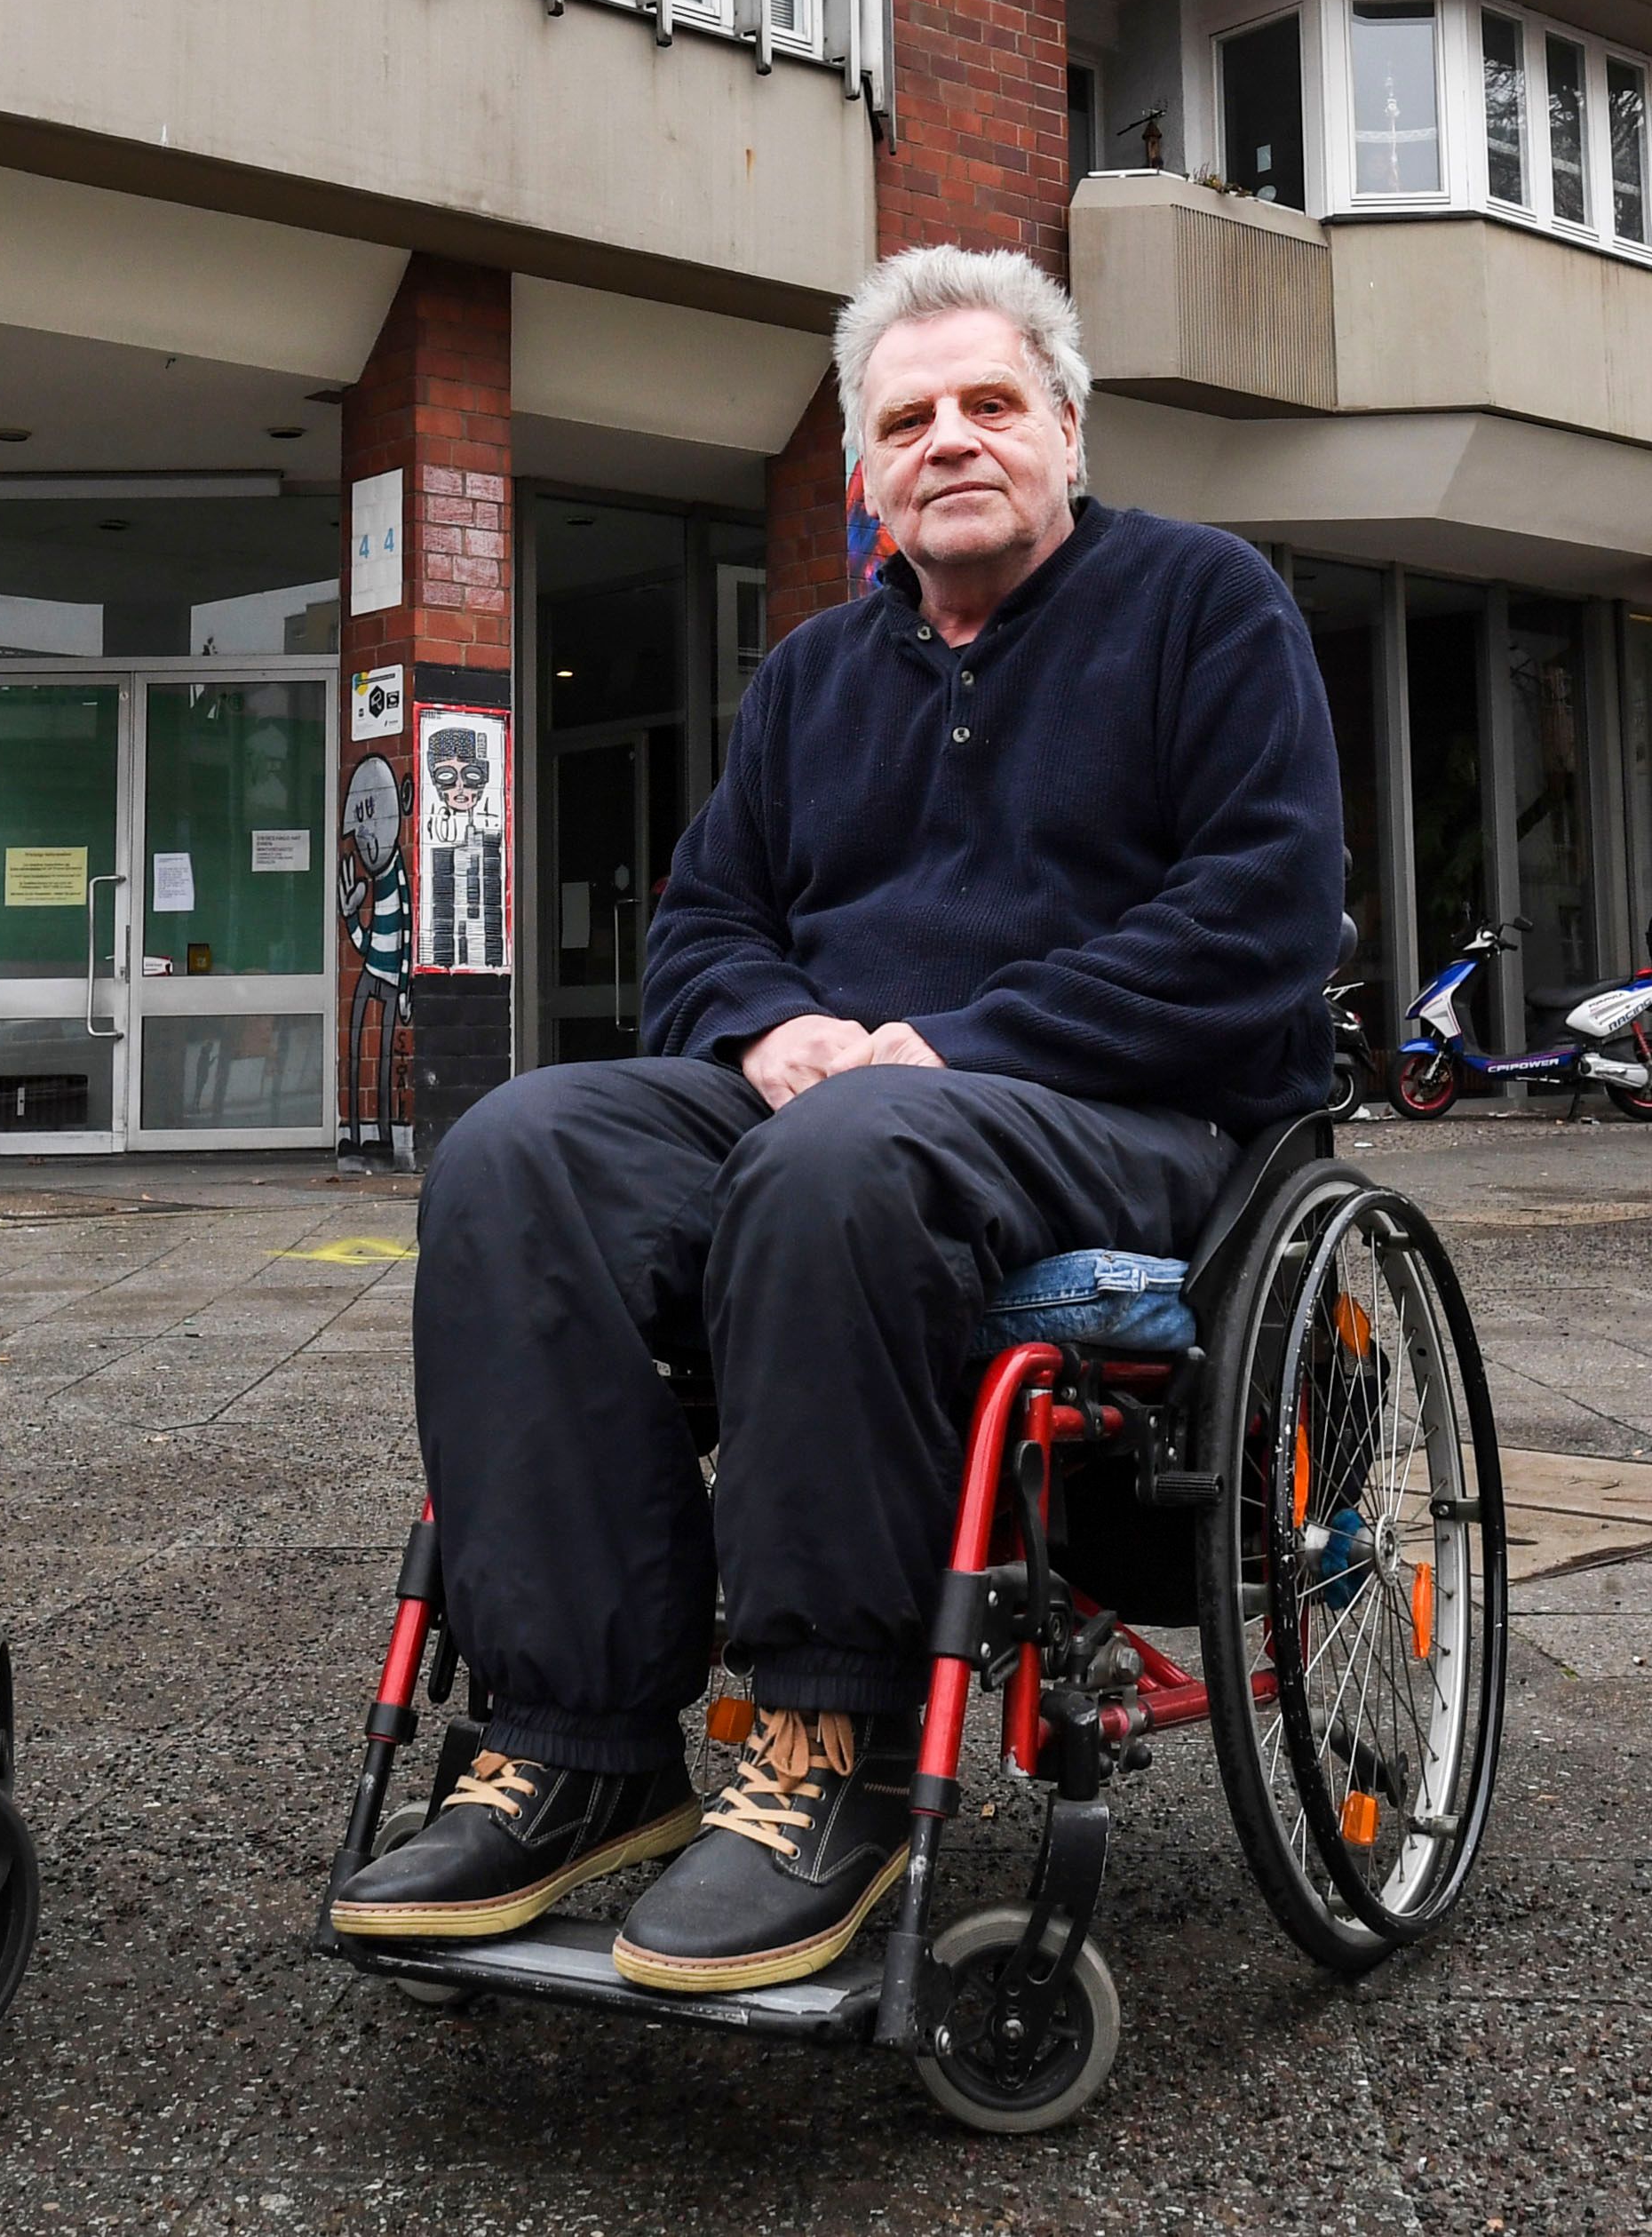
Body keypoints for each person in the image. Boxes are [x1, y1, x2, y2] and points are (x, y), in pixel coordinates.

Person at [331, 245, 1343, 1993]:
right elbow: (706, 924)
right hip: (849, 1112)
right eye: (908, 420)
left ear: (1070, 430)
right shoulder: (814, 677)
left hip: (1124, 1116)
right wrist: (773, 1023)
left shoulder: (1204, 606)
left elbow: (1256, 922)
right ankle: (580, 1738)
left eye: (990, 404)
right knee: (515, 1153)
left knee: (841, 1156)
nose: (950, 440)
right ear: (868, 475)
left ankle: (826, 1744)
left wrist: (941, 1048)